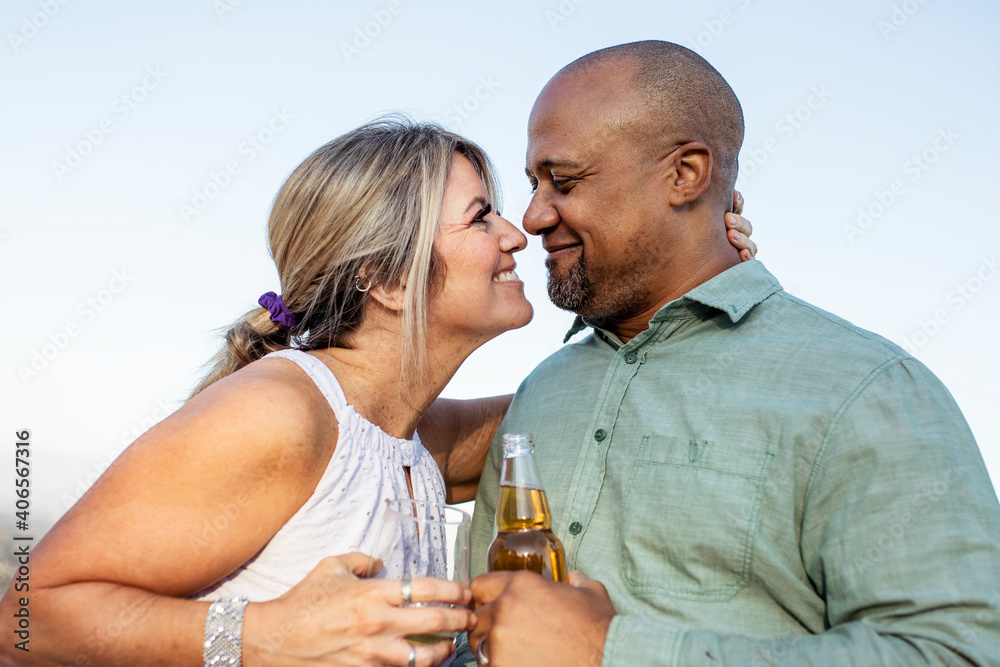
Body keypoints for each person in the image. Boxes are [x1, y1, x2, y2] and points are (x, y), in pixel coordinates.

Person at [0, 117, 759, 666]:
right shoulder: (280, 414)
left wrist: (688, 260)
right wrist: (263, 635)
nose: (516, 235)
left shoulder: (408, 433)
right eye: (479, 216)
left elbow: (593, 402)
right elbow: (25, 619)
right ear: (390, 279)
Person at [461, 41, 1000, 666]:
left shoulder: (862, 388)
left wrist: (613, 652)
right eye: (534, 182)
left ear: (685, 174)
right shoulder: (541, 392)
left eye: (566, 180)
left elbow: (958, 652)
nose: (531, 216)